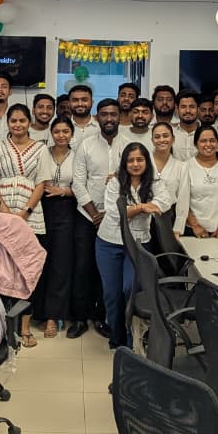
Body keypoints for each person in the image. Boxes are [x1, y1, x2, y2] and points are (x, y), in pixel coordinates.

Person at [97, 142, 173, 349]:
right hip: (109, 243)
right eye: (130, 160)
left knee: (131, 289)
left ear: (147, 161)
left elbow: (165, 202)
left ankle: (133, 342)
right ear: (124, 163)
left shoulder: (155, 182)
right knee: (112, 294)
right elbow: (116, 213)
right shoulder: (115, 182)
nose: (135, 164)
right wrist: (142, 207)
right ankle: (117, 340)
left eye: (140, 159)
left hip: (139, 244)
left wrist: (136, 208)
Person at [0, 104, 48, 345]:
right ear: (8, 123)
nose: (18, 125)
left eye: (22, 120)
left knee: (27, 271)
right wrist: (6, 212)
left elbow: (41, 183)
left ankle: (25, 327)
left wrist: (25, 212)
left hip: (30, 215)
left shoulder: (41, 149)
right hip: (1, 213)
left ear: (29, 122)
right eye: (14, 121)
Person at [71, 99, 121, 338]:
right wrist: (94, 214)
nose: (109, 118)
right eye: (104, 114)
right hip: (86, 217)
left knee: (107, 271)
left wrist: (109, 215)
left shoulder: (129, 145)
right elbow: (78, 183)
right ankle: (80, 319)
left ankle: (101, 318)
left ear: (119, 116)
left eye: (113, 114)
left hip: (116, 219)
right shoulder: (86, 145)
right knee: (82, 267)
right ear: (97, 117)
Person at [34, 118, 77, 338]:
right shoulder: (41, 152)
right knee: (40, 261)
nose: (61, 135)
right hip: (40, 209)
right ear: (51, 133)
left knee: (61, 263)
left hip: (66, 210)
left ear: (72, 134)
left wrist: (64, 191)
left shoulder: (78, 156)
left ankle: (54, 315)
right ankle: (37, 312)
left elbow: (84, 185)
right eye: (57, 131)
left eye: (65, 131)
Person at [150, 121, 190, 232]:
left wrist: (178, 228)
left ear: (173, 139)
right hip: (144, 218)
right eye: (157, 137)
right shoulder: (144, 162)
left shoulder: (181, 167)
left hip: (168, 219)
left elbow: (183, 200)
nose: (161, 140)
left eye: (165, 136)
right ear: (152, 140)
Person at [172, 90, 199, 160]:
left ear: (198, 109)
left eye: (192, 107)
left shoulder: (207, 133)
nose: (188, 111)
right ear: (177, 109)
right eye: (183, 107)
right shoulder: (170, 133)